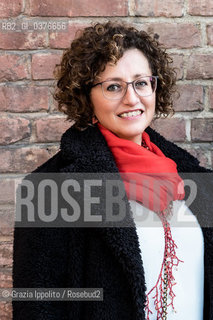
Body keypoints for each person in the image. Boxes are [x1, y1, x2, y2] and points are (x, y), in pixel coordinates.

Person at [12, 21, 213, 320]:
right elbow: (38, 307)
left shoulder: (197, 180)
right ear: (86, 96)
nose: (132, 98)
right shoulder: (49, 190)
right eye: (113, 86)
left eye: (141, 83)